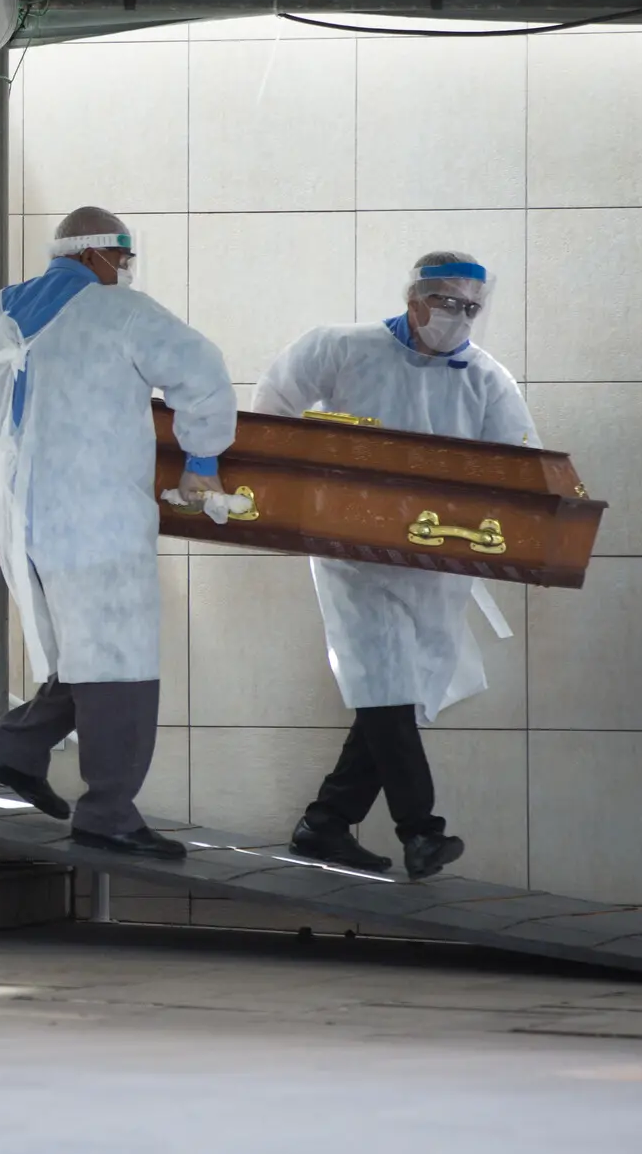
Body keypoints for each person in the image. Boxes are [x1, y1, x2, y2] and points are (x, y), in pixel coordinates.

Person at [0, 207, 235, 859]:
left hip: (20, 521)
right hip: (98, 518)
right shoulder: (121, 312)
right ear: (99, 255)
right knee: (120, 659)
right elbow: (203, 371)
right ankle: (109, 813)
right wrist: (203, 459)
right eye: (123, 261)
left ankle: (16, 745)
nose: (125, 272)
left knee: (85, 654)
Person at [255, 251, 537, 881]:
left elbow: (525, 465)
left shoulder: (486, 379)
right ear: (414, 299)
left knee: (398, 693)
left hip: (436, 562)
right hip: (353, 554)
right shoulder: (340, 348)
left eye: (470, 308)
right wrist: (303, 481)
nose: (458, 317)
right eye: (446, 303)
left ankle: (326, 823)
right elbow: (270, 410)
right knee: (384, 681)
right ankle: (421, 831)